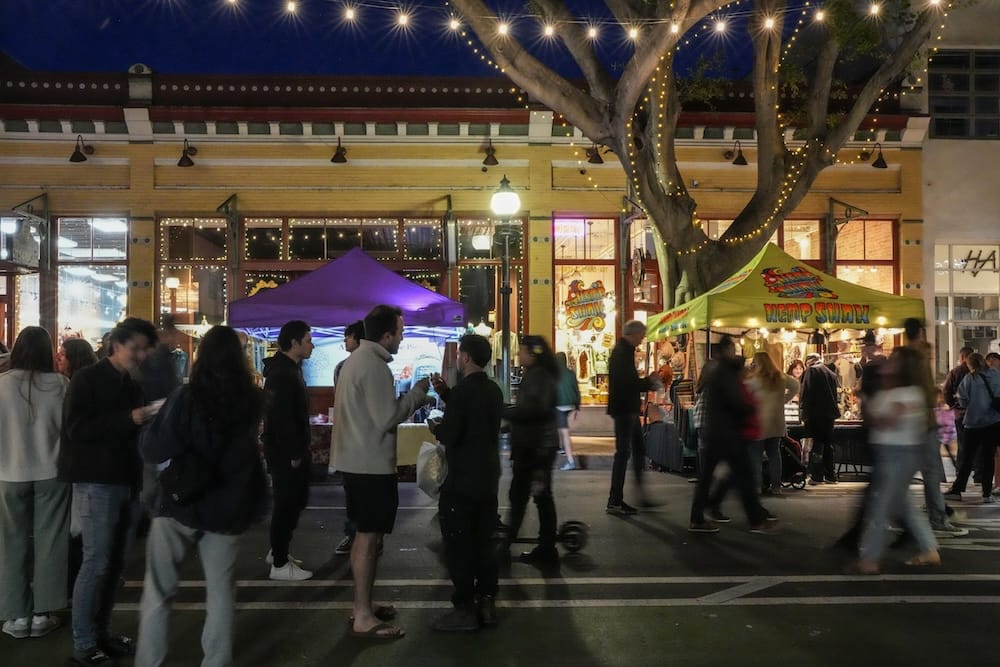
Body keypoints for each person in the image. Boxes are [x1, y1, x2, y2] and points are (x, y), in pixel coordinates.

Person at [135, 325, 266, 667]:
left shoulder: (187, 395)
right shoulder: (251, 399)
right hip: (228, 506)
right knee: (221, 593)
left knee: (159, 589)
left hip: (181, 501)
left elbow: (156, 447)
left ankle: (150, 661)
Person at [59, 317, 160, 666]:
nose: (142, 355)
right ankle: (85, 642)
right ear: (116, 345)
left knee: (113, 564)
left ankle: (101, 633)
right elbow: (75, 428)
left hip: (125, 481)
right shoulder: (87, 379)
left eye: (146, 349)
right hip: (96, 481)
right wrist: (129, 419)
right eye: (137, 348)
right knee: (97, 561)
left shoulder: (130, 384)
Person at [332, 304, 428, 639]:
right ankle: (362, 614)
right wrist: (416, 396)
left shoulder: (357, 361)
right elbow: (386, 418)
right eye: (400, 333)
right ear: (386, 335)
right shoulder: (373, 366)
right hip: (369, 465)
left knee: (365, 537)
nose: (402, 338)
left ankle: (363, 605)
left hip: (357, 461)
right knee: (369, 539)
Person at [427, 334, 504, 632]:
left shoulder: (462, 394)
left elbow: (452, 432)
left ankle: (464, 608)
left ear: (467, 358)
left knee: (459, 545)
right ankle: (487, 601)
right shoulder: (494, 392)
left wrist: (436, 427)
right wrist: (446, 394)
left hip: (461, 481)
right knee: (484, 543)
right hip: (487, 478)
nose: (457, 359)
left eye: (459, 354)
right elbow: (476, 419)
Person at [0, 327, 70, 640]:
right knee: (51, 541)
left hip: (7, 474)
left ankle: (15, 615)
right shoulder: (60, 384)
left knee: (9, 544)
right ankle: (43, 613)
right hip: (51, 473)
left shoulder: (1, 385)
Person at [855, 346, 941, 574]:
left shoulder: (908, 393)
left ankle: (870, 558)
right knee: (904, 506)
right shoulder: (894, 391)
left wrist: (868, 408)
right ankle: (929, 549)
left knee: (882, 505)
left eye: (893, 360)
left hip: (899, 454)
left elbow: (887, 420)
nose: (887, 363)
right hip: (891, 453)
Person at [688, 335, 774, 534]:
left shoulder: (716, 370)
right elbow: (734, 400)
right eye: (733, 348)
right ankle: (755, 519)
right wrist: (749, 409)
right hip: (727, 432)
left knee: (709, 477)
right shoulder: (725, 371)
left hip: (716, 431)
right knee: (743, 476)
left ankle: (699, 517)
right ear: (728, 349)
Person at [261, 319, 315, 581]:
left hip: (288, 449)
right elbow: (281, 418)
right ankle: (280, 563)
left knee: (295, 501)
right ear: (293, 343)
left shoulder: (290, 369)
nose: (311, 344)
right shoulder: (283, 373)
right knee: (287, 503)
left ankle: (278, 551)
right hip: (285, 451)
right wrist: (294, 453)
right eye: (307, 339)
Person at [503, 335, 561, 566]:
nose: (519, 354)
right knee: (532, 497)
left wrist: (504, 412)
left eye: (522, 351)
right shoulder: (537, 375)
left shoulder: (539, 377)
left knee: (532, 497)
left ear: (531, 353)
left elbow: (532, 411)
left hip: (537, 448)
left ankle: (542, 548)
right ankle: (542, 547)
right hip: (533, 446)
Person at [606, 320, 661, 515]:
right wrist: (649, 382)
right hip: (624, 410)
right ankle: (615, 500)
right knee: (624, 453)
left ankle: (636, 495)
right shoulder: (622, 353)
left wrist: (647, 382)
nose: (642, 339)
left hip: (627, 408)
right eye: (642, 335)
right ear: (634, 334)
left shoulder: (624, 352)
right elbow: (627, 383)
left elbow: (627, 382)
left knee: (637, 450)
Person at [332, 319, 365, 557]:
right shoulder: (342, 366)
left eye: (348, 336)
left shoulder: (361, 366)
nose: (345, 341)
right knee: (354, 492)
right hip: (352, 438)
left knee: (358, 492)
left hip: (359, 439)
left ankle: (361, 537)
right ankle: (357, 534)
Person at [947, 353, 1000, 502]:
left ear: (970, 364)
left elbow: (963, 401)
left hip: (974, 423)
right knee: (988, 458)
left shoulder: (969, 378)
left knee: (967, 457)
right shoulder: (996, 374)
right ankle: (986, 494)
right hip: (993, 421)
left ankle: (957, 490)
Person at [746, 351, 799, 496]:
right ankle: (776, 487)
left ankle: (756, 487)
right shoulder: (780, 376)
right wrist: (784, 399)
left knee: (756, 456)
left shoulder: (754, 380)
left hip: (759, 422)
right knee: (774, 454)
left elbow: (744, 392)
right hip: (776, 422)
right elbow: (795, 385)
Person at [799, 352, 842, 484]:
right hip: (830, 415)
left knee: (817, 444)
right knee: (827, 444)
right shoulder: (830, 372)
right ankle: (831, 475)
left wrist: (803, 414)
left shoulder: (811, 371)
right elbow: (837, 395)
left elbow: (806, 393)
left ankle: (817, 476)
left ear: (808, 362)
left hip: (815, 414)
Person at [943, 347, 975, 486]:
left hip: (961, 413)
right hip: (978, 414)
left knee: (962, 445)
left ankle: (960, 474)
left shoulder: (955, 372)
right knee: (978, 445)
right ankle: (978, 473)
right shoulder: (978, 373)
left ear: (962, 357)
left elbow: (946, 391)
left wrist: (953, 406)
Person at [555, 351, 581, 471]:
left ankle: (570, 460)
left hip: (559, 405)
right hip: (570, 405)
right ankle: (561, 447)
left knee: (565, 432)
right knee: (561, 427)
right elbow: (576, 390)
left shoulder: (554, 374)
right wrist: (577, 406)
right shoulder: (571, 373)